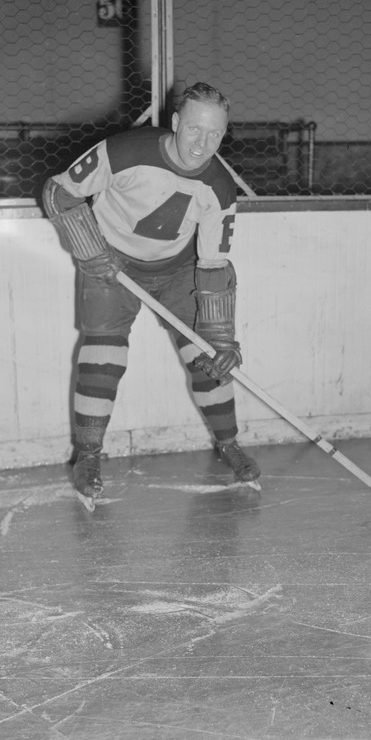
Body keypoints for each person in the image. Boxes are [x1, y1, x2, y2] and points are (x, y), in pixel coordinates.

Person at [42, 82, 260, 502]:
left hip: (175, 270)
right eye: (195, 129)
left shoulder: (220, 188)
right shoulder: (123, 151)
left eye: (215, 133)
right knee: (103, 357)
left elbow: (213, 264)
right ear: (176, 122)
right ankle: (87, 455)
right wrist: (89, 250)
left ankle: (229, 444)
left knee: (207, 360)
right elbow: (60, 192)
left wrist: (220, 338)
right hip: (110, 264)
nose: (203, 143)